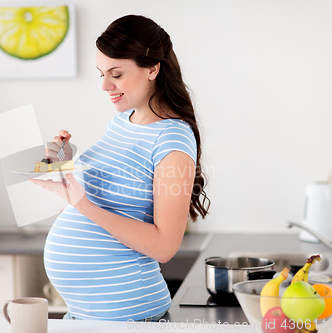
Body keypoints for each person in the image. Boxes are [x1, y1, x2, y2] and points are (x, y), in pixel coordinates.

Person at [30, 14, 210, 321]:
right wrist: (59, 165)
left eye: (116, 74)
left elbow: (165, 246)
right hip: (87, 315)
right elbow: (103, 201)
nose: (104, 85)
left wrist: (80, 202)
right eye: (101, 73)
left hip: (128, 316)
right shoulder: (122, 121)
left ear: (153, 67)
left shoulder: (173, 139)